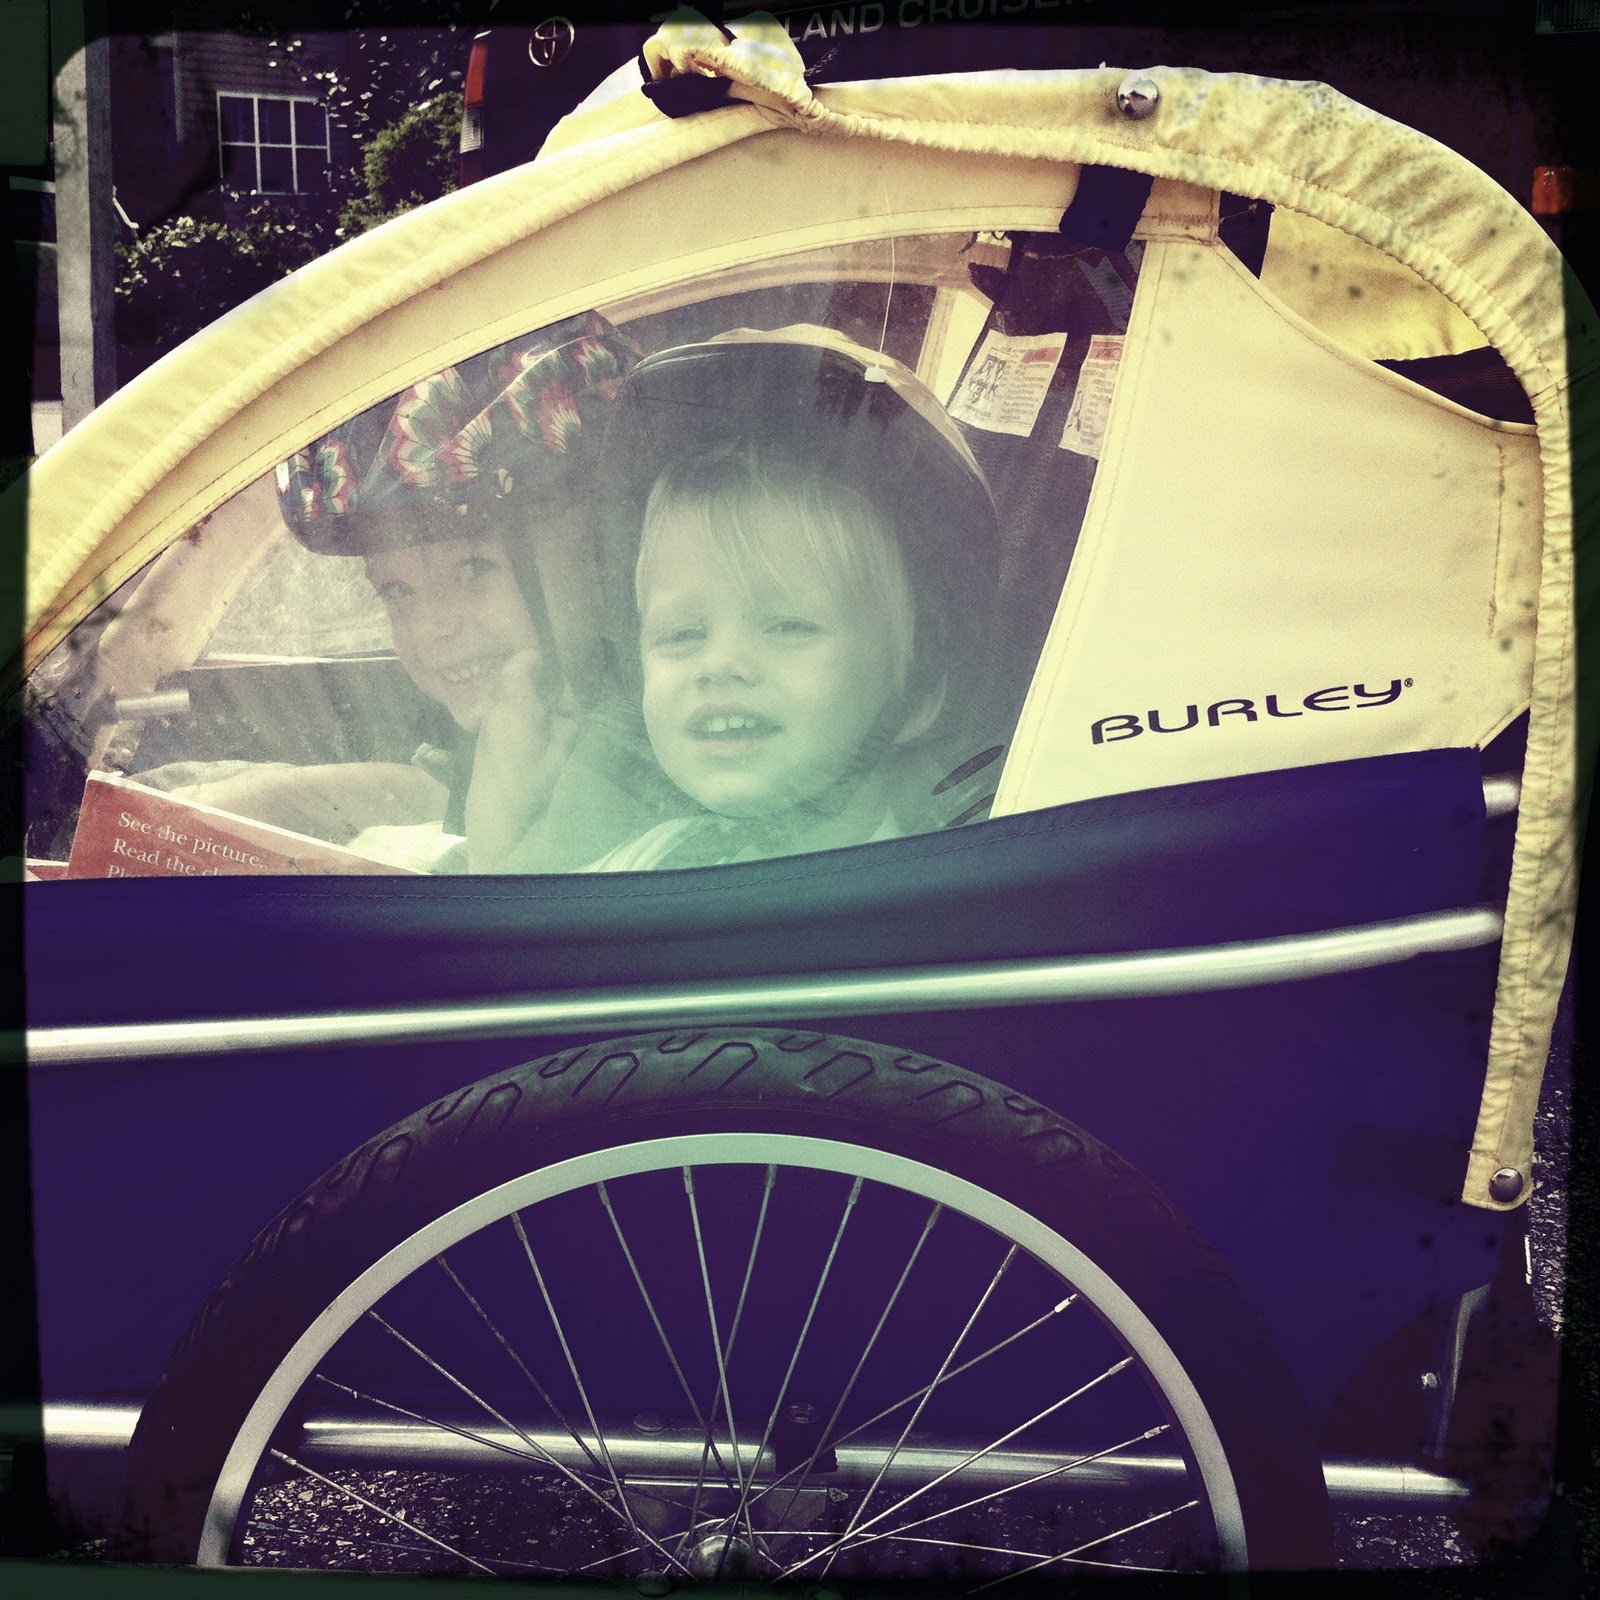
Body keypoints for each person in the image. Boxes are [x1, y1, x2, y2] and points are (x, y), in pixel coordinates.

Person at [479, 324, 1007, 873]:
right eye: (681, 634)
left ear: (915, 692)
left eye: (788, 626)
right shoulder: (629, 868)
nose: (719, 664)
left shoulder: (940, 889)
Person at [141, 311, 642, 871]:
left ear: (602, 553)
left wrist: (496, 842)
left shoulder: (637, 766)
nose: (433, 627)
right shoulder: (544, 715)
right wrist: (191, 816)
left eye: (474, 569)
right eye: (398, 590)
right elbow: (436, 789)